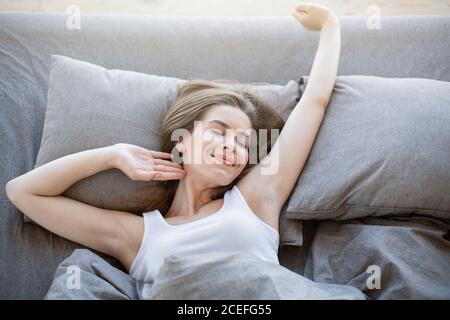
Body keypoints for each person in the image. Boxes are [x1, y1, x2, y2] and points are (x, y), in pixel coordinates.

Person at [5, 2, 341, 285]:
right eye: (219, 130)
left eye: (243, 142)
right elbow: (23, 192)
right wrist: (111, 156)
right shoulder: (136, 235)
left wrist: (329, 24)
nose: (233, 146)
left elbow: (314, 102)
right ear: (182, 143)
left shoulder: (256, 198)